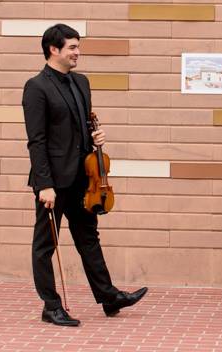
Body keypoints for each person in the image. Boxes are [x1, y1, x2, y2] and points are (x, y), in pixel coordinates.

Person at [22, 23, 147, 326]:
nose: (78, 52)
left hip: (83, 177)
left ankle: (109, 296)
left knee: (88, 237)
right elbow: (36, 141)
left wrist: (96, 138)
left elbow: (80, 127)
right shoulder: (36, 87)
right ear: (54, 49)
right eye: (72, 47)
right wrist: (44, 185)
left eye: (78, 47)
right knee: (45, 245)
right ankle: (51, 306)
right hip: (52, 181)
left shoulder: (81, 82)